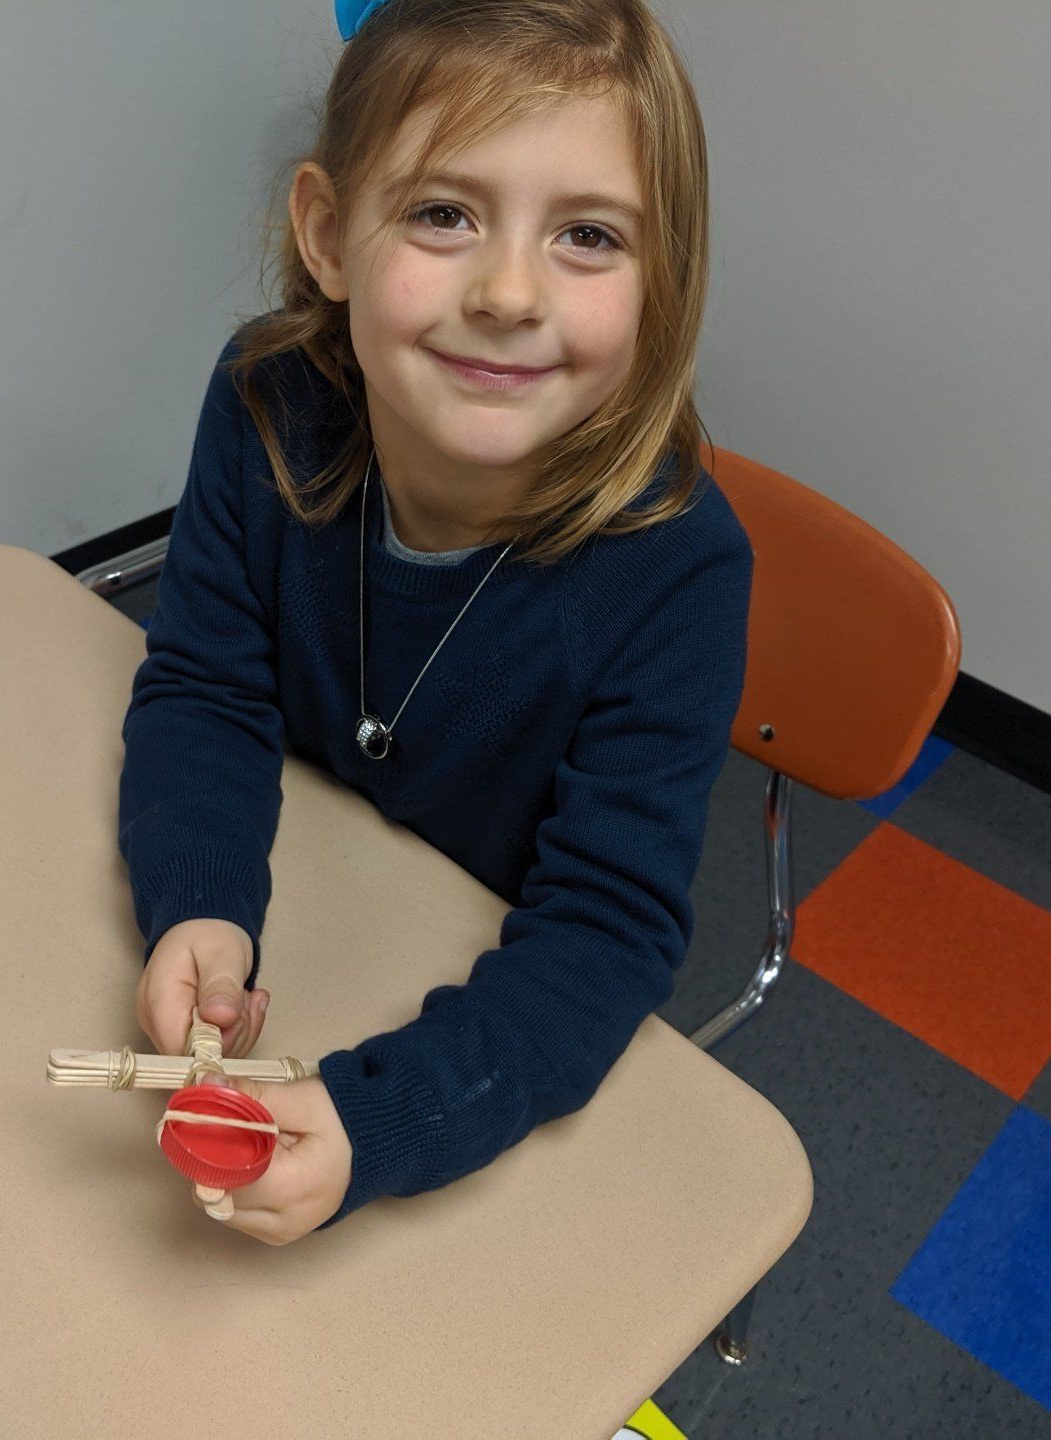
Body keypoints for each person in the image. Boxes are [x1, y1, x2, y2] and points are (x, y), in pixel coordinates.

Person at [120, 0, 752, 1245]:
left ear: (661, 275)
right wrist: (200, 901)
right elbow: (204, 688)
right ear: (330, 234)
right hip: (320, 896)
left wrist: (384, 1117)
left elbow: (605, 935)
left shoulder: (677, 569)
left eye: (586, 234)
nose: (510, 293)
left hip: (480, 1009)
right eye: (444, 215)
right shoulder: (268, 402)